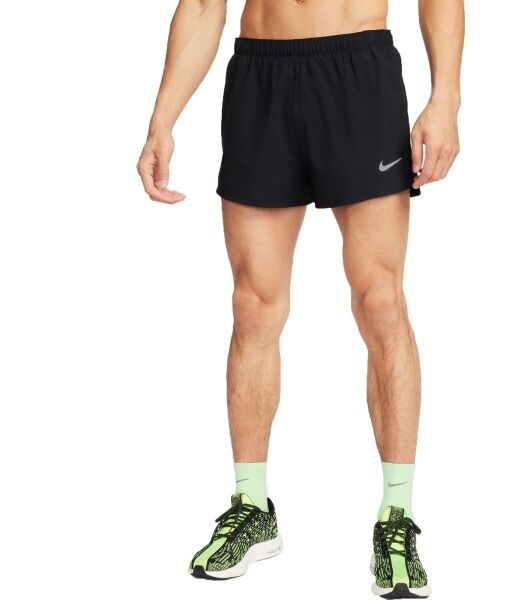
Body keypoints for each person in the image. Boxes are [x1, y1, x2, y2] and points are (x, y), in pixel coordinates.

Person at [137, 1, 463, 597]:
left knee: (380, 300)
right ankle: (252, 507)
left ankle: (396, 516)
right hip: (260, 78)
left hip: (358, 72)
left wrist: (446, 99)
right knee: (252, 306)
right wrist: (163, 118)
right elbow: (205, 4)